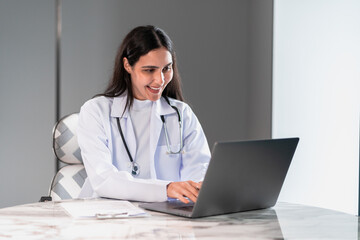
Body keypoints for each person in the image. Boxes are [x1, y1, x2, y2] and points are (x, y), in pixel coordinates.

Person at [77, 25, 210, 203]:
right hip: (109, 218)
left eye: (166, 68)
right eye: (149, 70)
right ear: (127, 65)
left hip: (167, 218)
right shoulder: (96, 111)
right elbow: (104, 180)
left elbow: (199, 173)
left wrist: (195, 190)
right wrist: (166, 189)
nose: (160, 80)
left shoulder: (181, 114)